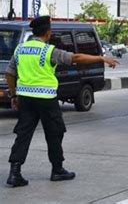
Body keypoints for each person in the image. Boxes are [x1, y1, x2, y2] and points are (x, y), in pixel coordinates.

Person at [5, 16, 119, 188]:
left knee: (23, 134)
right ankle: (57, 170)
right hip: (46, 99)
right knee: (55, 132)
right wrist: (101, 59)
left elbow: (9, 74)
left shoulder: (20, 49)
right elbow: (77, 57)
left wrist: (14, 96)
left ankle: (14, 173)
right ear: (48, 33)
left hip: (25, 99)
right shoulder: (49, 51)